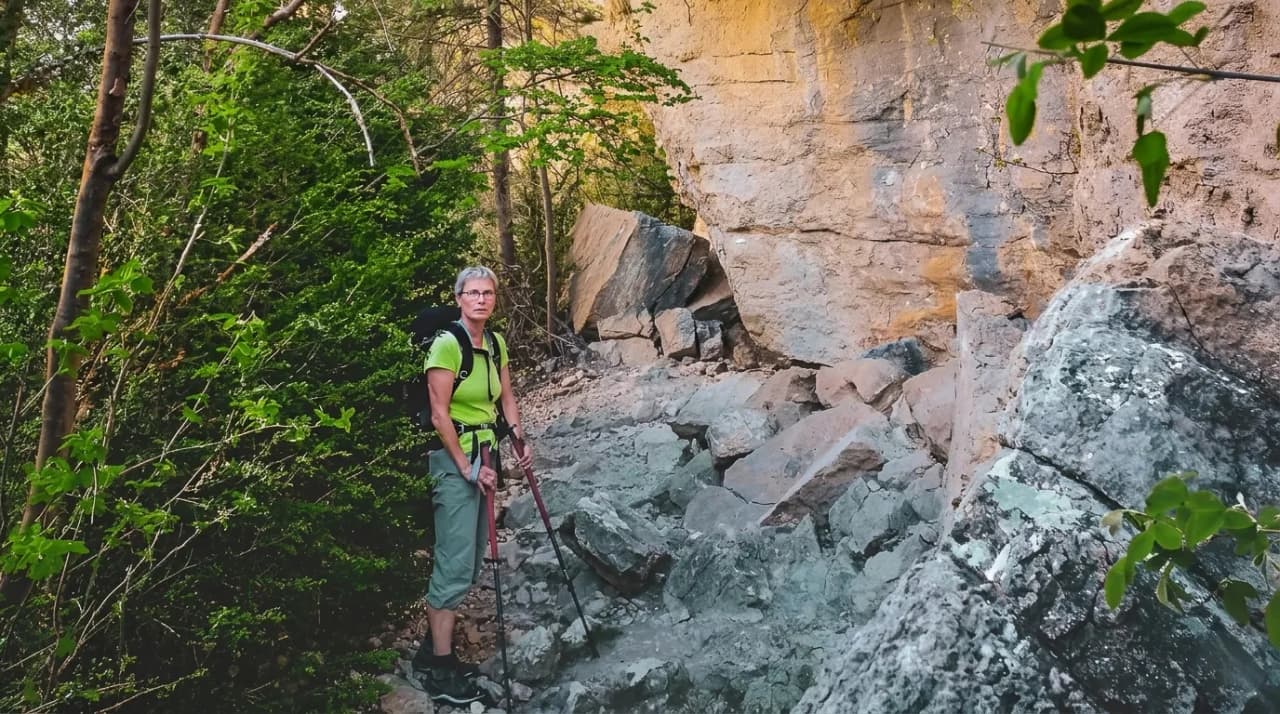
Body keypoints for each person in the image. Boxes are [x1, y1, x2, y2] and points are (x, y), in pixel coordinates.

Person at [414, 265, 532, 705]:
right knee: (454, 562)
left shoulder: (495, 343)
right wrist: (465, 467)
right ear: (459, 298)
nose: (481, 299)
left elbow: (505, 397)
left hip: (486, 457)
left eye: (488, 293)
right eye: (473, 293)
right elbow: (439, 413)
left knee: (471, 557)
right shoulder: (447, 346)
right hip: (454, 462)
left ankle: (434, 650)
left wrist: (518, 438)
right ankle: (439, 667)